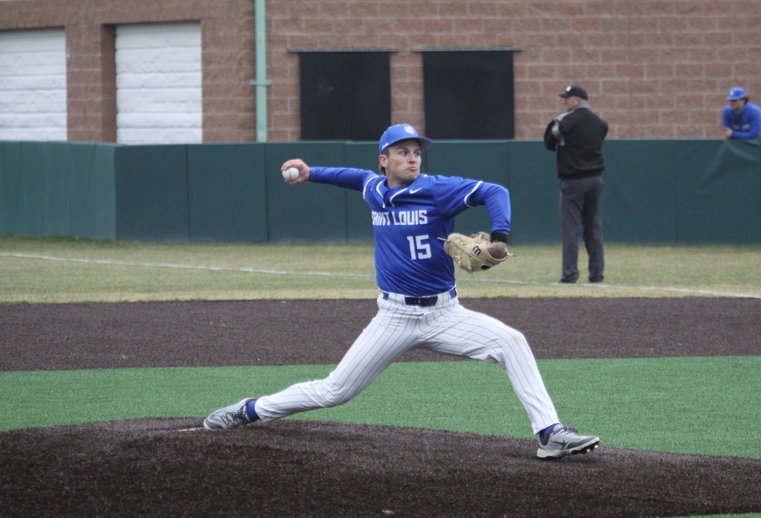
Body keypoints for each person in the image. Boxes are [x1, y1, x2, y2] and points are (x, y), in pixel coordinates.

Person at [204, 123, 600, 460]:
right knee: (333, 392)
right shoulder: (375, 188)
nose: (412, 158)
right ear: (384, 160)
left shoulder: (437, 189)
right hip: (394, 317)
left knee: (512, 342)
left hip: (446, 314)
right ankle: (249, 410)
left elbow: (495, 192)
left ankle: (551, 434)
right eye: (402, 152)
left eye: (416, 152)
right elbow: (351, 177)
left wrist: (499, 237)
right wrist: (312, 172)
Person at [543, 85, 608, 284]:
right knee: (593, 227)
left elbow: (549, 140)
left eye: (567, 98)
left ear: (577, 100)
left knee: (571, 229)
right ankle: (596, 275)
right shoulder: (600, 122)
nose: (564, 102)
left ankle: (569, 275)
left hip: (573, 181)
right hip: (595, 180)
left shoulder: (566, 120)